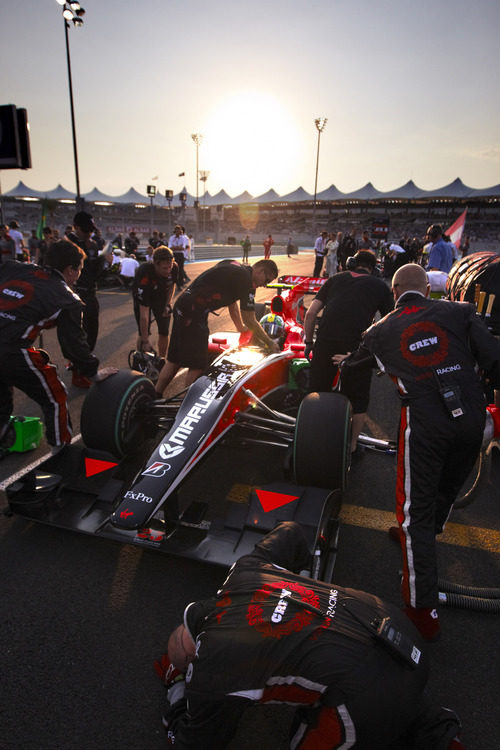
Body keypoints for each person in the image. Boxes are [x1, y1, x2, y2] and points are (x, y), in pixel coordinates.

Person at [157, 521, 466, 750]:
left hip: (369, 695)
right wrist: (299, 581)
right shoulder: (244, 570)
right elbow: (290, 531)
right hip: (400, 631)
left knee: (313, 735)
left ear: (194, 659)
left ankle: (398, 726)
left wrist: (178, 692)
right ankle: (431, 727)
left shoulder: (212, 668)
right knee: (380, 686)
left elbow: (196, 743)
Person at [334, 263, 500, 640]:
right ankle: (426, 535)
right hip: (472, 420)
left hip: (425, 424)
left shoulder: (378, 331)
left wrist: (343, 362)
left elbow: (354, 366)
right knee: (445, 490)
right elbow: (494, 358)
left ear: (394, 293)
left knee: (413, 513)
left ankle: (421, 609)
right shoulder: (459, 311)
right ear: (428, 288)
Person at [0, 240, 116, 451]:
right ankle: (61, 451)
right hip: (10, 350)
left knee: (2, 402)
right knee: (55, 397)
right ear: (71, 270)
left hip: (10, 346)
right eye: (80, 268)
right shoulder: (67, 298)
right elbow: (72, 345)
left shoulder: (13, 267)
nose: (79, 274)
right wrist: (93, 372)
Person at [304, 251, 393, 451]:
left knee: (316, 390)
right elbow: (391, 322)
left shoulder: (334, 279)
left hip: (324, 343)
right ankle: (352, 445)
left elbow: (310, 314)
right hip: (355, 350)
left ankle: (311, 436)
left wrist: (309, 343)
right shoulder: (380, 286)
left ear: (352, 264)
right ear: (374, 269)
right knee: (358, 397)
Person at [155, 259, 280, 394]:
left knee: (174, 360)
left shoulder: (234, 265)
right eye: (267, 281)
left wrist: (240, 327)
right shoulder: (246, 281)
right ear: (260, 271)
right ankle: (185, 405)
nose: (264, 286)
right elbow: (249, 319)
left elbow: (232, 303)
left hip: (182, 304)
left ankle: (154, 394)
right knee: (198, 364)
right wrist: (270, 343)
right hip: (194, 313)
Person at [66, 211, 113, 388]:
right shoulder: (67, 245)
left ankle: (79, 365)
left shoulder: (93, 245)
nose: (88, 233)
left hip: (90, 294)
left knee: (91, 333)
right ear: (76, 227)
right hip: (72, 294)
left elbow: (97, 273)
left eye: (90, 229)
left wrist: (106, 262)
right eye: (85, 229)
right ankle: (79, 371)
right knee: (76, 334)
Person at [132, 246, 178, 358]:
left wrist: (168, 304)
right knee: (144, 333)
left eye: (169, 267)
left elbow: (171, 286)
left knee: (164, 331)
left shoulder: (174, 267)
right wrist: (146, 341)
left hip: (161, 296)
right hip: (145, 294)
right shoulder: (144, 273)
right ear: (155, 264)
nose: (168, 270)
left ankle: (161, 360)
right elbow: (144, 315)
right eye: (164, 268)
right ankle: (141, 358)